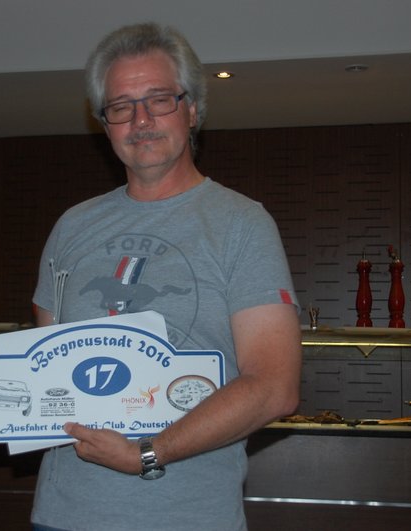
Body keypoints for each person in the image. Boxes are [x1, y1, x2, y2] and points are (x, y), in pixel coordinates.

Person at [30, 22, 302, 531]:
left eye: (159, 100)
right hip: (62, 515)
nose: (141, 120)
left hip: (187, 518)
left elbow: (274, 386)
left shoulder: (242, 224)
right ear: (104, 124)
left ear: (192, 109)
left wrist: (147, 453)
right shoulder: (72, 227)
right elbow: (49, 368)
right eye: (120, 107)